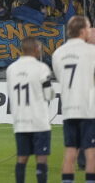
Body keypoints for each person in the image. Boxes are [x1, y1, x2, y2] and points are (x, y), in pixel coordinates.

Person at [52, 15, 95, 183]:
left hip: (69, 106)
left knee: (70, 151)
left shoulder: (58, 53)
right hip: (88, 107)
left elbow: (60, 77)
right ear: (83, 30)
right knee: (91, 151)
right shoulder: (91, 51)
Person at [7, 37, 55, 183]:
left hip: (21, 121)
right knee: (41, 158)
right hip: (38, 120)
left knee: (22, 158)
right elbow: (48, 94)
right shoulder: (41, 68)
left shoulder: (11, 69)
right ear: (36, 49)